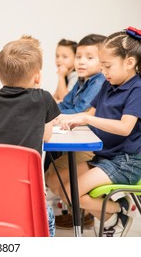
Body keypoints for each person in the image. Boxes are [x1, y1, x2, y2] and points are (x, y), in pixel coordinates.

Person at [47, 27, 141, 237]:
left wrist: (86, 118)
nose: (104, 71)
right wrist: (60, 118)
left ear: (129, 63)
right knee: (58, 181)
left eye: (107, 66)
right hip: (105, 156)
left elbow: (125, 127)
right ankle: (114, 219)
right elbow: (88, 112)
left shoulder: (137, 89)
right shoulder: (110, 83)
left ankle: (118, 209)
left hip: (126, 161)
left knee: (72, 192)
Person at [0, 35, 61, 237]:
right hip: (27, 191)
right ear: (37, 76)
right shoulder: (43, 98)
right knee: (47, 216)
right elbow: (47, 137)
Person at [45, 34, 107, 229]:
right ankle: (82, 214)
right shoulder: (82, 81)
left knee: (54, 176)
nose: (81, 62)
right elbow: (64, 105)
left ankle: (90, 212)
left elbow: (80, 112)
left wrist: (53, 115)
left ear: (103, 60)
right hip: (80, 136)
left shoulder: (98, 82)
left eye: (89, 57)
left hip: (94, 146)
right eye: (79, 56)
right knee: (50, 173)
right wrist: (49, 111)